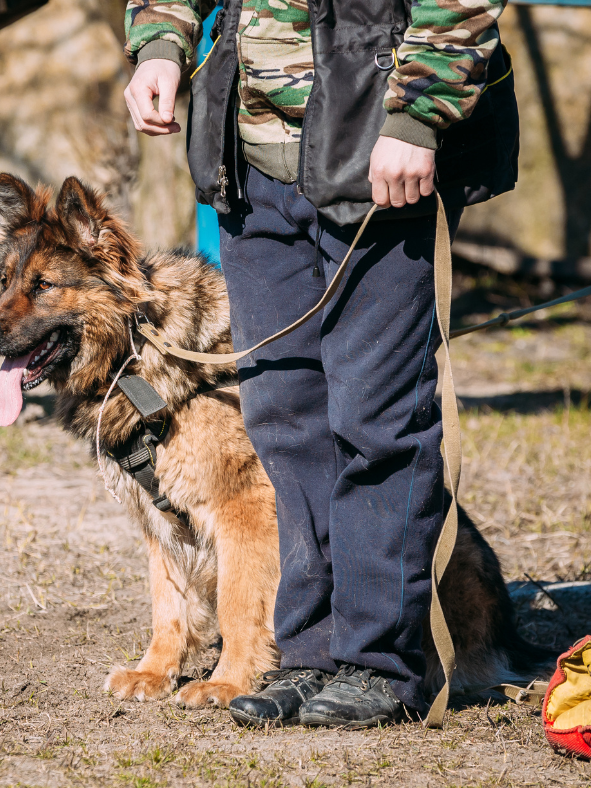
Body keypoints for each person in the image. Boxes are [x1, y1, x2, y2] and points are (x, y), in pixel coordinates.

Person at [122, 0, 516, 727]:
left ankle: (379, 663)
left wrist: (419, 115)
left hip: (382, 148)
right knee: (281, 418)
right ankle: (308, 651)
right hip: (250, 161)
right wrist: (159, 41)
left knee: (376, 416)